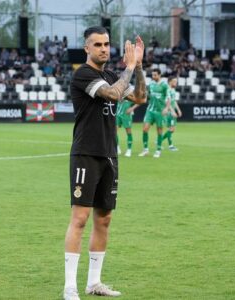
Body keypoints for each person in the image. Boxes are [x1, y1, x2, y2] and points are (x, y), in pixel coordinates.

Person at [64, 26, 146, 300]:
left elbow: (140, 97)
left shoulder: (113, 74)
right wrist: (130, 66)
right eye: (97, 44)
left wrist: (139, 67)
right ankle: (70, 287)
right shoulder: (83, 75)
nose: (103, 48)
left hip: (109, 155)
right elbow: (112, 94)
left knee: (105, 219)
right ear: (86, 48)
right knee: (80, 219)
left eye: (106, 44)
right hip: (86, 154)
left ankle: (94, 283)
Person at [139, 69, 171, 158]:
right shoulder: (151, 84)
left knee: (159, 130)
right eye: (152, 75)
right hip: (150, 110)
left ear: (160, 75)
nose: (153, 77)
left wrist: (167, 108)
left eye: (155, 75)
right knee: (145, 129)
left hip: (160, 111)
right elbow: (147, 95)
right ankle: (145, 150)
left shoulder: (164, 85)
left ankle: (158, 150)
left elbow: (168, 98)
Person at [162, 77, 182, 151]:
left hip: (172, 111)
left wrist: (178, 110)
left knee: (172, 129)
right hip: (169, 112)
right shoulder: (168, 90)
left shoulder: (173, 90)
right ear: (170, 82)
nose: (176, 83)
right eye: (174, 81)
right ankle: (170, 146)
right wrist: (172, 111)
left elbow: (174, 101)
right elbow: (167, 102)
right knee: (171, 128)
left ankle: (159, 141)